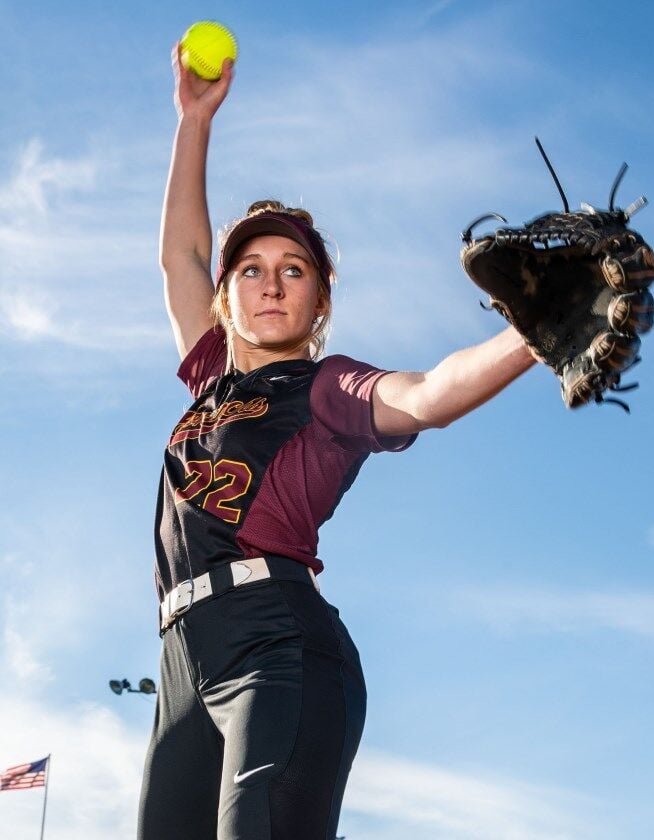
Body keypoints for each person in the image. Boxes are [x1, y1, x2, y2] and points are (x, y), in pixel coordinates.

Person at [137, 46, 536, 840]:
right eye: (250, 269)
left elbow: (426, 396)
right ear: (226, 296)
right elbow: (180, 253)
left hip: (277, 645)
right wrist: (193, 120)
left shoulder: (325, 388)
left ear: (318, 301)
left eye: (294, 269)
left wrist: (535, 331)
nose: (272, 282)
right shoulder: (211, 373)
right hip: (180, 663)